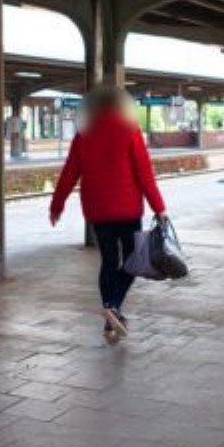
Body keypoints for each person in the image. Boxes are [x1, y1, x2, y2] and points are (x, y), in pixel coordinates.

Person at [50, 86, 167, 343]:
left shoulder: (83, 135)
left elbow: (69, 174)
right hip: (127, 210)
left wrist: (56, 205)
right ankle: (113, 306)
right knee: (133, 261)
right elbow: (145, 175)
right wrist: (159, 208)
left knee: (109, 261)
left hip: (98, 211)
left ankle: (110, 319)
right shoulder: (130, 131)